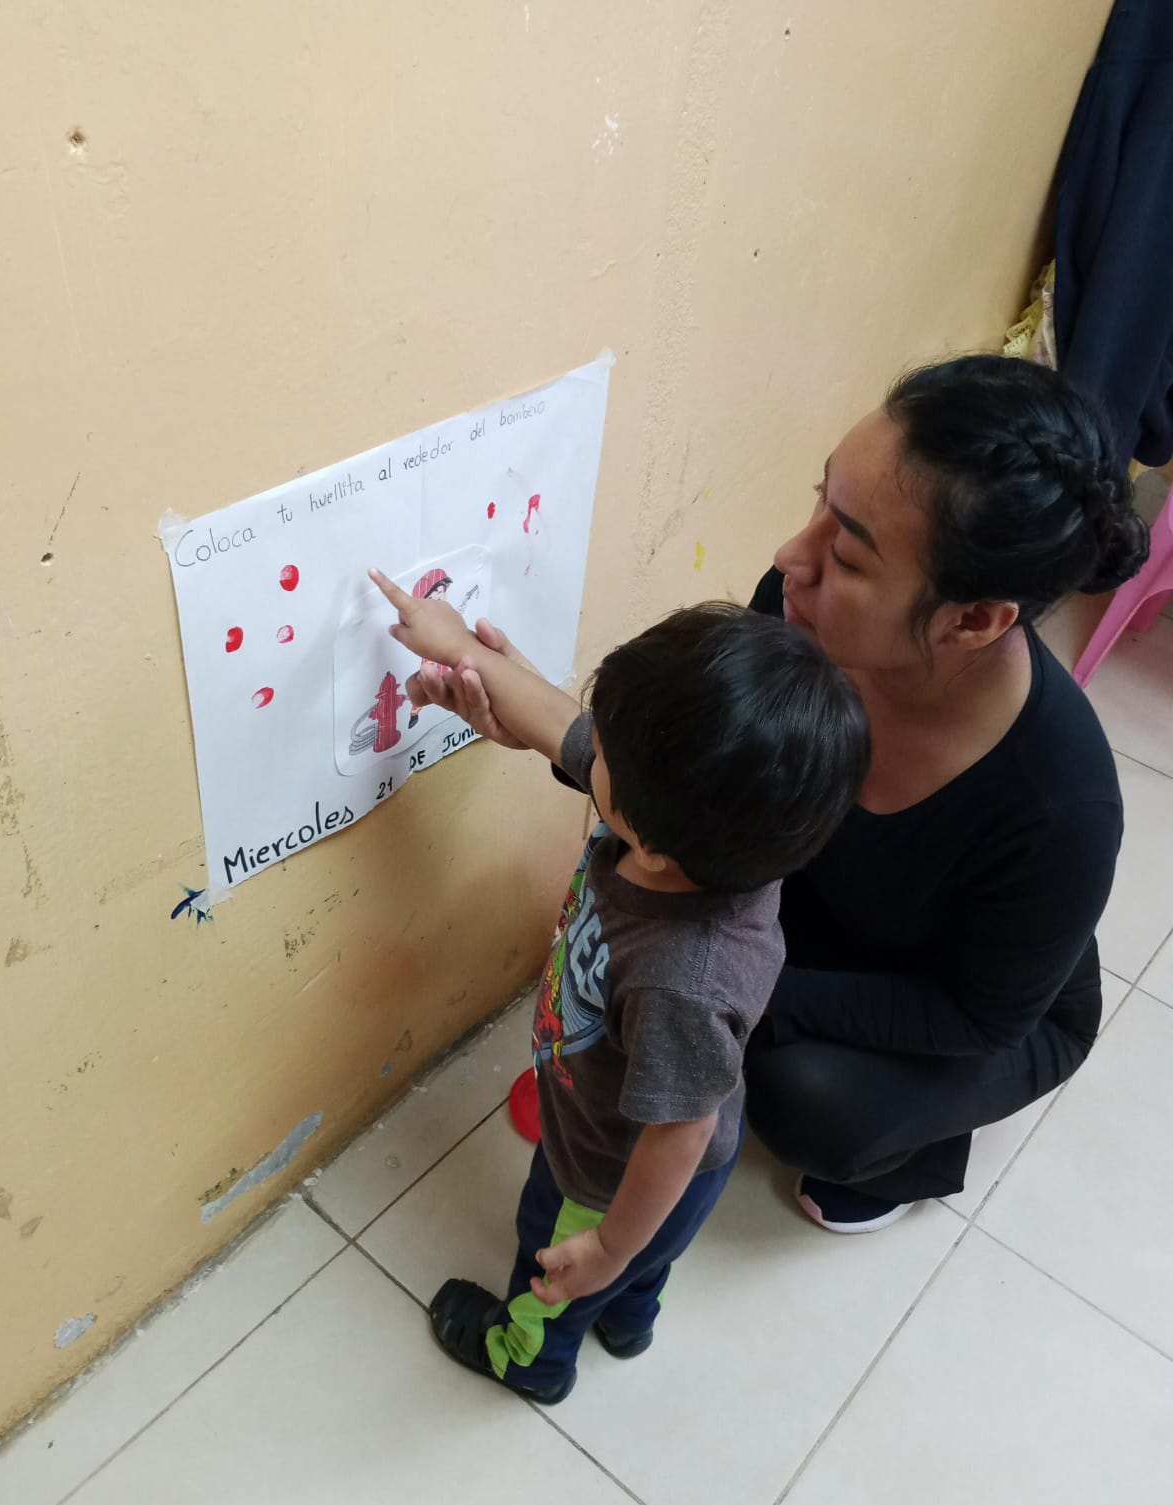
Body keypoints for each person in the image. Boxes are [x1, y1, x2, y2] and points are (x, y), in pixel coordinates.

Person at [405, 355, 1150, 1236]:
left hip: (973, 1004)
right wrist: (484, 671)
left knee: (804, 1099)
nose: (790, 558)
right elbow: (682, 778)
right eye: (819, 502)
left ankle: (911, 1154)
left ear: (974, 619)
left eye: (847, 554)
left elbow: (977, 1011)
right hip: (828, 910)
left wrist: (720, 999)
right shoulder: (801, 618)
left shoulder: (1060, 808)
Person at [368, 568, 870, 1401]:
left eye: (605, 754)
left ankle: (529, 1359)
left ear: (654, 841)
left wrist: (605, 1245)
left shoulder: (684, 977)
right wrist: (460, 649)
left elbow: (677, 1136)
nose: (588, 748)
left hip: (606, 1173)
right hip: (664, 1155)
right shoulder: (720, 830)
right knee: (648, 1259)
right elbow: (561, 732)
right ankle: (630, 1317)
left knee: (557, 1268)